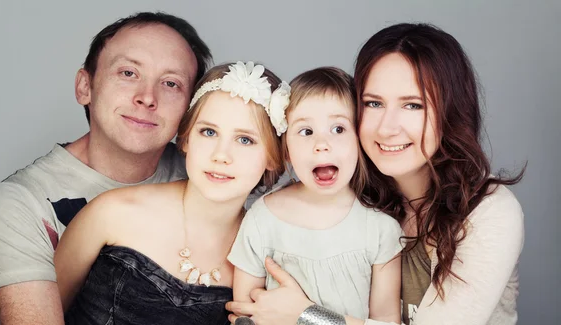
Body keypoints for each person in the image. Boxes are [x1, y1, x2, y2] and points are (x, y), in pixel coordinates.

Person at [225, 23, 525, 325]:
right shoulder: (353, 197)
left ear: (449, 113)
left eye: (413, 105)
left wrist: (305, 316)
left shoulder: (490, 212)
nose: (387, 127)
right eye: (374, 103)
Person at [0, 11, 211, 324]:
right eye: (129, 73)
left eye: (171, 83)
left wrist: (303, 314)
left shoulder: (218, 177)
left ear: (190, 109)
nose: (147, 97)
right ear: (84, 87)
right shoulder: (24, 202)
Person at [54, 61, 289, 325]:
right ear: (187, 138)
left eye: (245, 139)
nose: (221, 155)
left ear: (273, 156)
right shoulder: (112, 212)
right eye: (208, 132)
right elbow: (40, 316)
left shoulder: (269, 257)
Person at [228, 67, 402, 323]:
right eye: (306, 132)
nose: (322, 143)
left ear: (359, 140)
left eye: (339, 129)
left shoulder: (380, 229)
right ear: (286, 149)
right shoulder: (262, 220)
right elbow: (244, 313)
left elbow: (386, 320)